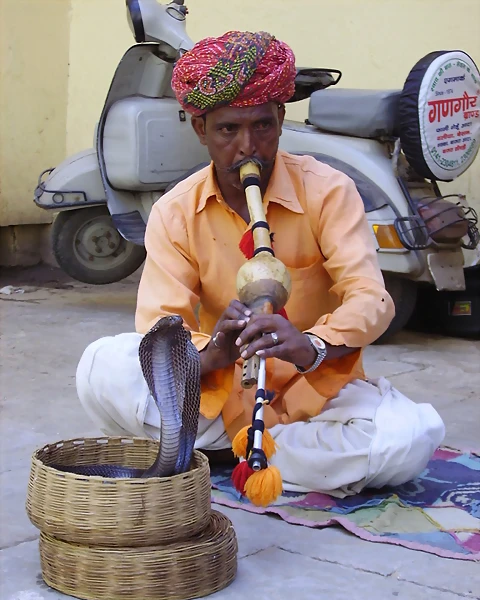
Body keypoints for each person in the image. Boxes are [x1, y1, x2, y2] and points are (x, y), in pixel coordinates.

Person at [76, 30, 445, 498]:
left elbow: (372, 298)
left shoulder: (328, 191)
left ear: (280, 118)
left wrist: (310, 344)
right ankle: (260, 452)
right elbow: (159, 327)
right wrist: (215, 353)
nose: (248, 147)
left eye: (263, 127)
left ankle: (243, 452)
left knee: (409, 437)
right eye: (229, 129)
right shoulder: (175, 211)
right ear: (200, 129)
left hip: (312, 397)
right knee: (99, 366)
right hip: (215, 397)